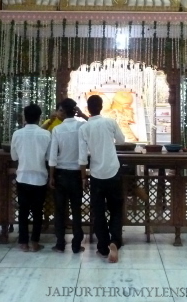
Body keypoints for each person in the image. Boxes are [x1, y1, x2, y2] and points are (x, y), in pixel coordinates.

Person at [78, 94, 125, 263]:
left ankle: (103, 247)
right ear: (102, 106)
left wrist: (84, 177)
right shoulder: (110, 122)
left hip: (96, 174)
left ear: (88, 109)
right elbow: (121, 140)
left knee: (98, 212)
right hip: (113, 170)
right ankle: (115, 241)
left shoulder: (84, 128)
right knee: (116, 209)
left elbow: (82, 157)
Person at [10, 103, 51, 252]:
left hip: (22, 176)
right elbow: (49, 158)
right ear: (39, 118)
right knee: (38, 211)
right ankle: (35, 242)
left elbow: (14, 156)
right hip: (40, 178)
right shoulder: (46, 134)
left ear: (24, 117)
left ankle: (23, 242)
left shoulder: (17, 134)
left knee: (23, 211)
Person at [49, 98, 86, 254]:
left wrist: (51, 176)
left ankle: (60, 243)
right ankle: (76, 245)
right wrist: (84, 177)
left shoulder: (57, 130)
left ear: (63, 111)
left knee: (60, 210)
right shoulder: (82, 127)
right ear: (75, 111)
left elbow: (52, 156)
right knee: (76, 210)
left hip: (61, 174)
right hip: (77, 174)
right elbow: (83, 155)